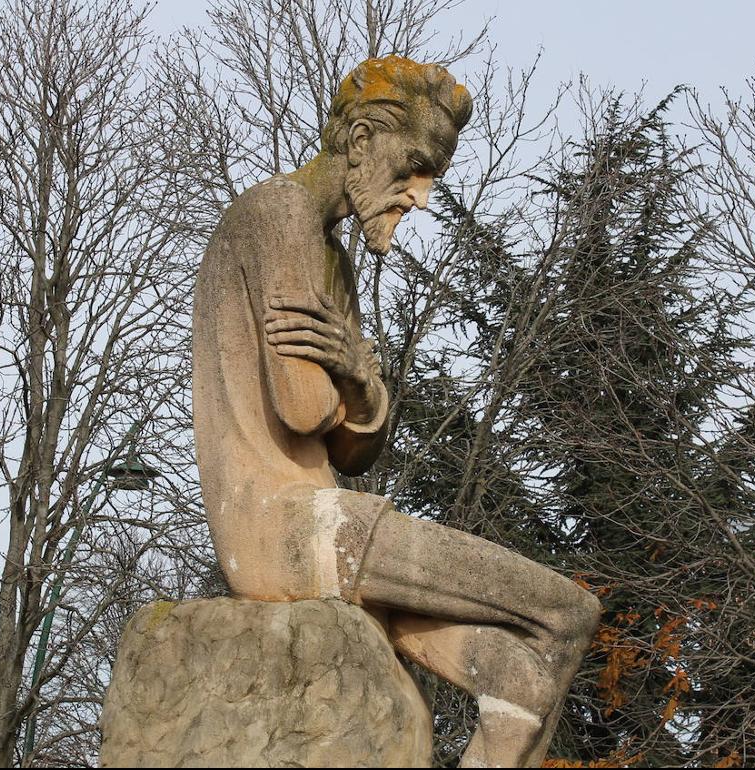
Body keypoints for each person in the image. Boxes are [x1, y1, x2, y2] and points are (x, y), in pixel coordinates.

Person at [192, 56, 601, 768]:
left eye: (432, 175)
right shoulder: (279, 212)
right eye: (415, 167)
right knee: (568, 612)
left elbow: (357, 448)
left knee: (521, 674)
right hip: (283, 529)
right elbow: (304, 407)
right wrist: (353, 379)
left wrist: (356, 378)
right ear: (360, 142)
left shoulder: (334, 261)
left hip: (328, 523)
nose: (420, 195)